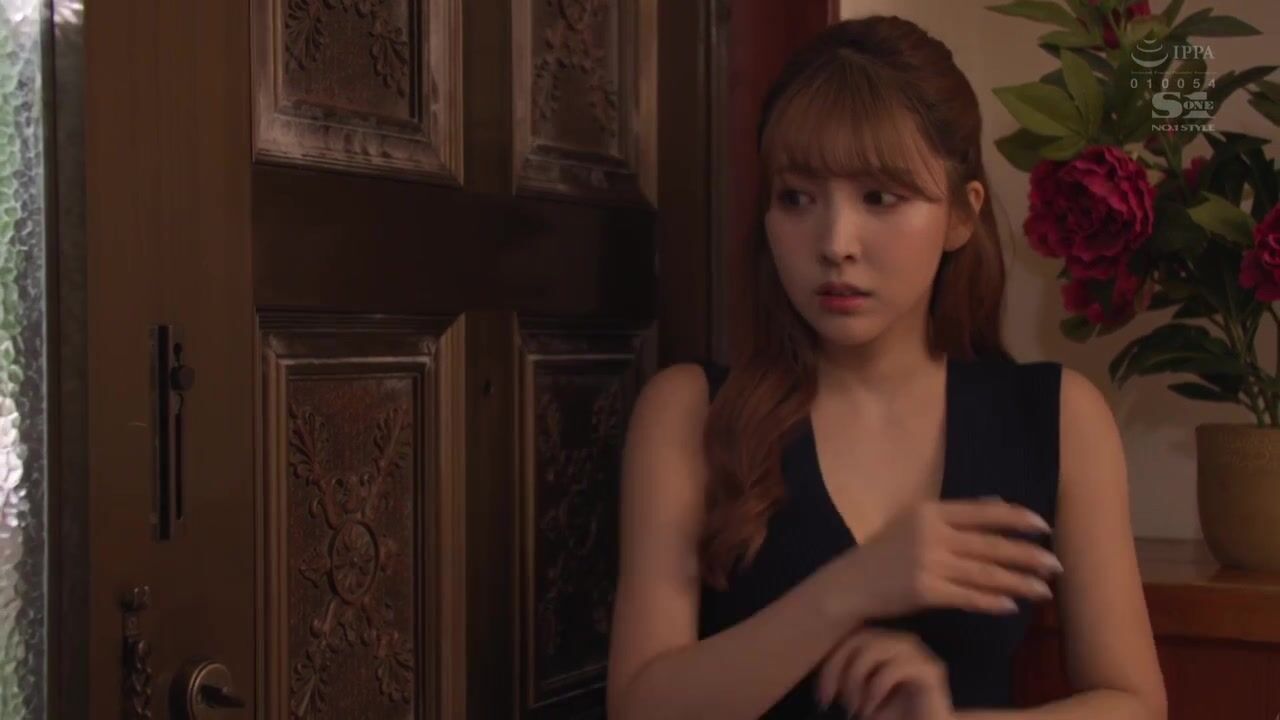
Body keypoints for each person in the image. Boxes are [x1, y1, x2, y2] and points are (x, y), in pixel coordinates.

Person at [605, 14, 1167, 720]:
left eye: (880, 198)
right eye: (797, 198)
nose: (835, 243)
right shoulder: (690, 410)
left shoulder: (1056, 417)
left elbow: (1134, 703)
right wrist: (852, 589)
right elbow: (639, 706)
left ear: (960, 216)